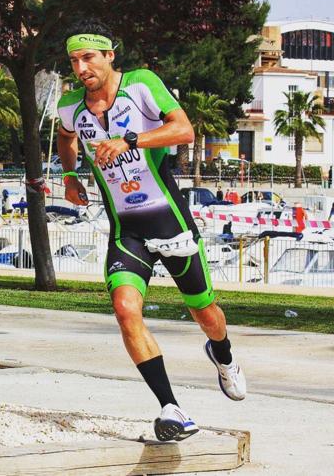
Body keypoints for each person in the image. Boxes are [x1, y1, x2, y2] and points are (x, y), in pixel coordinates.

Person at [56, 22, 245, 442]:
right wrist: (71, 176)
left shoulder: (140, 85)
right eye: (74, 60)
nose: (81, 67)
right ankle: (171, 408)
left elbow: (184, 130)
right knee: (125, 310)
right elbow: (65, 137)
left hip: (170, 224)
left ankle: (223, 354)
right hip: (127, 231)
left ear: (109, 56)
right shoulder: (71, 106)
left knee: (206, 314)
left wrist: (130, 140)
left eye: (88, 57)